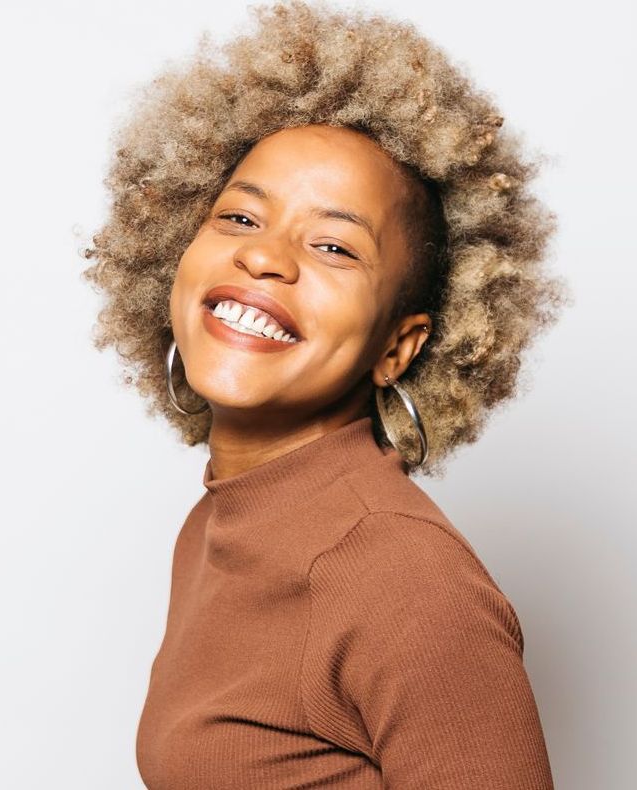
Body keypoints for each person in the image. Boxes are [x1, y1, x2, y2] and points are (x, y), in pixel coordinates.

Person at [81, 1, 569, 788]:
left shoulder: (407, 581)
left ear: (397, 348)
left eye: (334, 245)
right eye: (240, 216)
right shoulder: (217, 521)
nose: (266, 258)